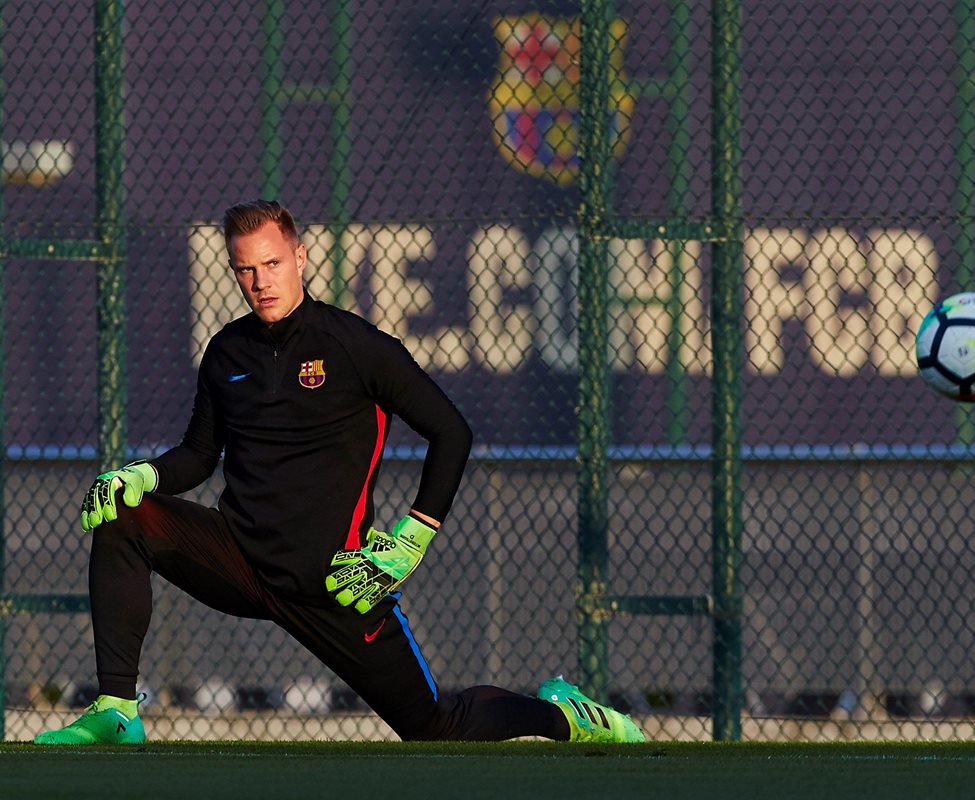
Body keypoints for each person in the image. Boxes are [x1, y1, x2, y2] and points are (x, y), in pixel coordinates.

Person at [35, 199, 644, 745]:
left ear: (300, 257)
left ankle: (564, 715)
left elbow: (451, 431)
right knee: (120, 514)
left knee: (436, 728)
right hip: (240, 559)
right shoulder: (226, 352)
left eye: (272, 264)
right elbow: (199, 454)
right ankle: (118, 711)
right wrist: (144, 476)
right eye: (246, 269)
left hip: (337, 582)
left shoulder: (355, 345)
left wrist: (413, 537)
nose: (260, 281)